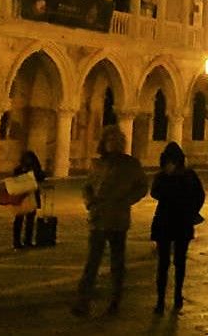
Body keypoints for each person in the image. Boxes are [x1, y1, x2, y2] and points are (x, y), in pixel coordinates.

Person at [71, 125, 148, 317]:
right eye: (110, 140)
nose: (114, 143)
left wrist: (127, 200)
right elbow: (87, 186)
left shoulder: (131, 164)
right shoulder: (98, 164)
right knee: (92, 261)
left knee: (117, 261)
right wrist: (89, 202)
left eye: (117, 140)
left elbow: (141, 187)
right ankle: (83, 300)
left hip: (118, 219)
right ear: (104, 143)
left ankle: (115, 299)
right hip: (98, 218)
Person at [149, 142, 205, 314]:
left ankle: (176, 295)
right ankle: (161, 299)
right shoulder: (168, 176)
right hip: (171, 223)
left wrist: (190, 210)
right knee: (165, 263)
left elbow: (199, 195)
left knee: (177, 262)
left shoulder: (187, 175)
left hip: (176, 222)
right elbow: (155, 192)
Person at [12, 150, 45, 249]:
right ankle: (17, 241)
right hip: (21, 196)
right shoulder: (18, 169)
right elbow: (15, 180)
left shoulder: (35, 169)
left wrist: (33, 173)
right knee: (19, 219)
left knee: (30, 219)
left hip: (32, 196)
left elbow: (41, 177)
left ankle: (28, 240)